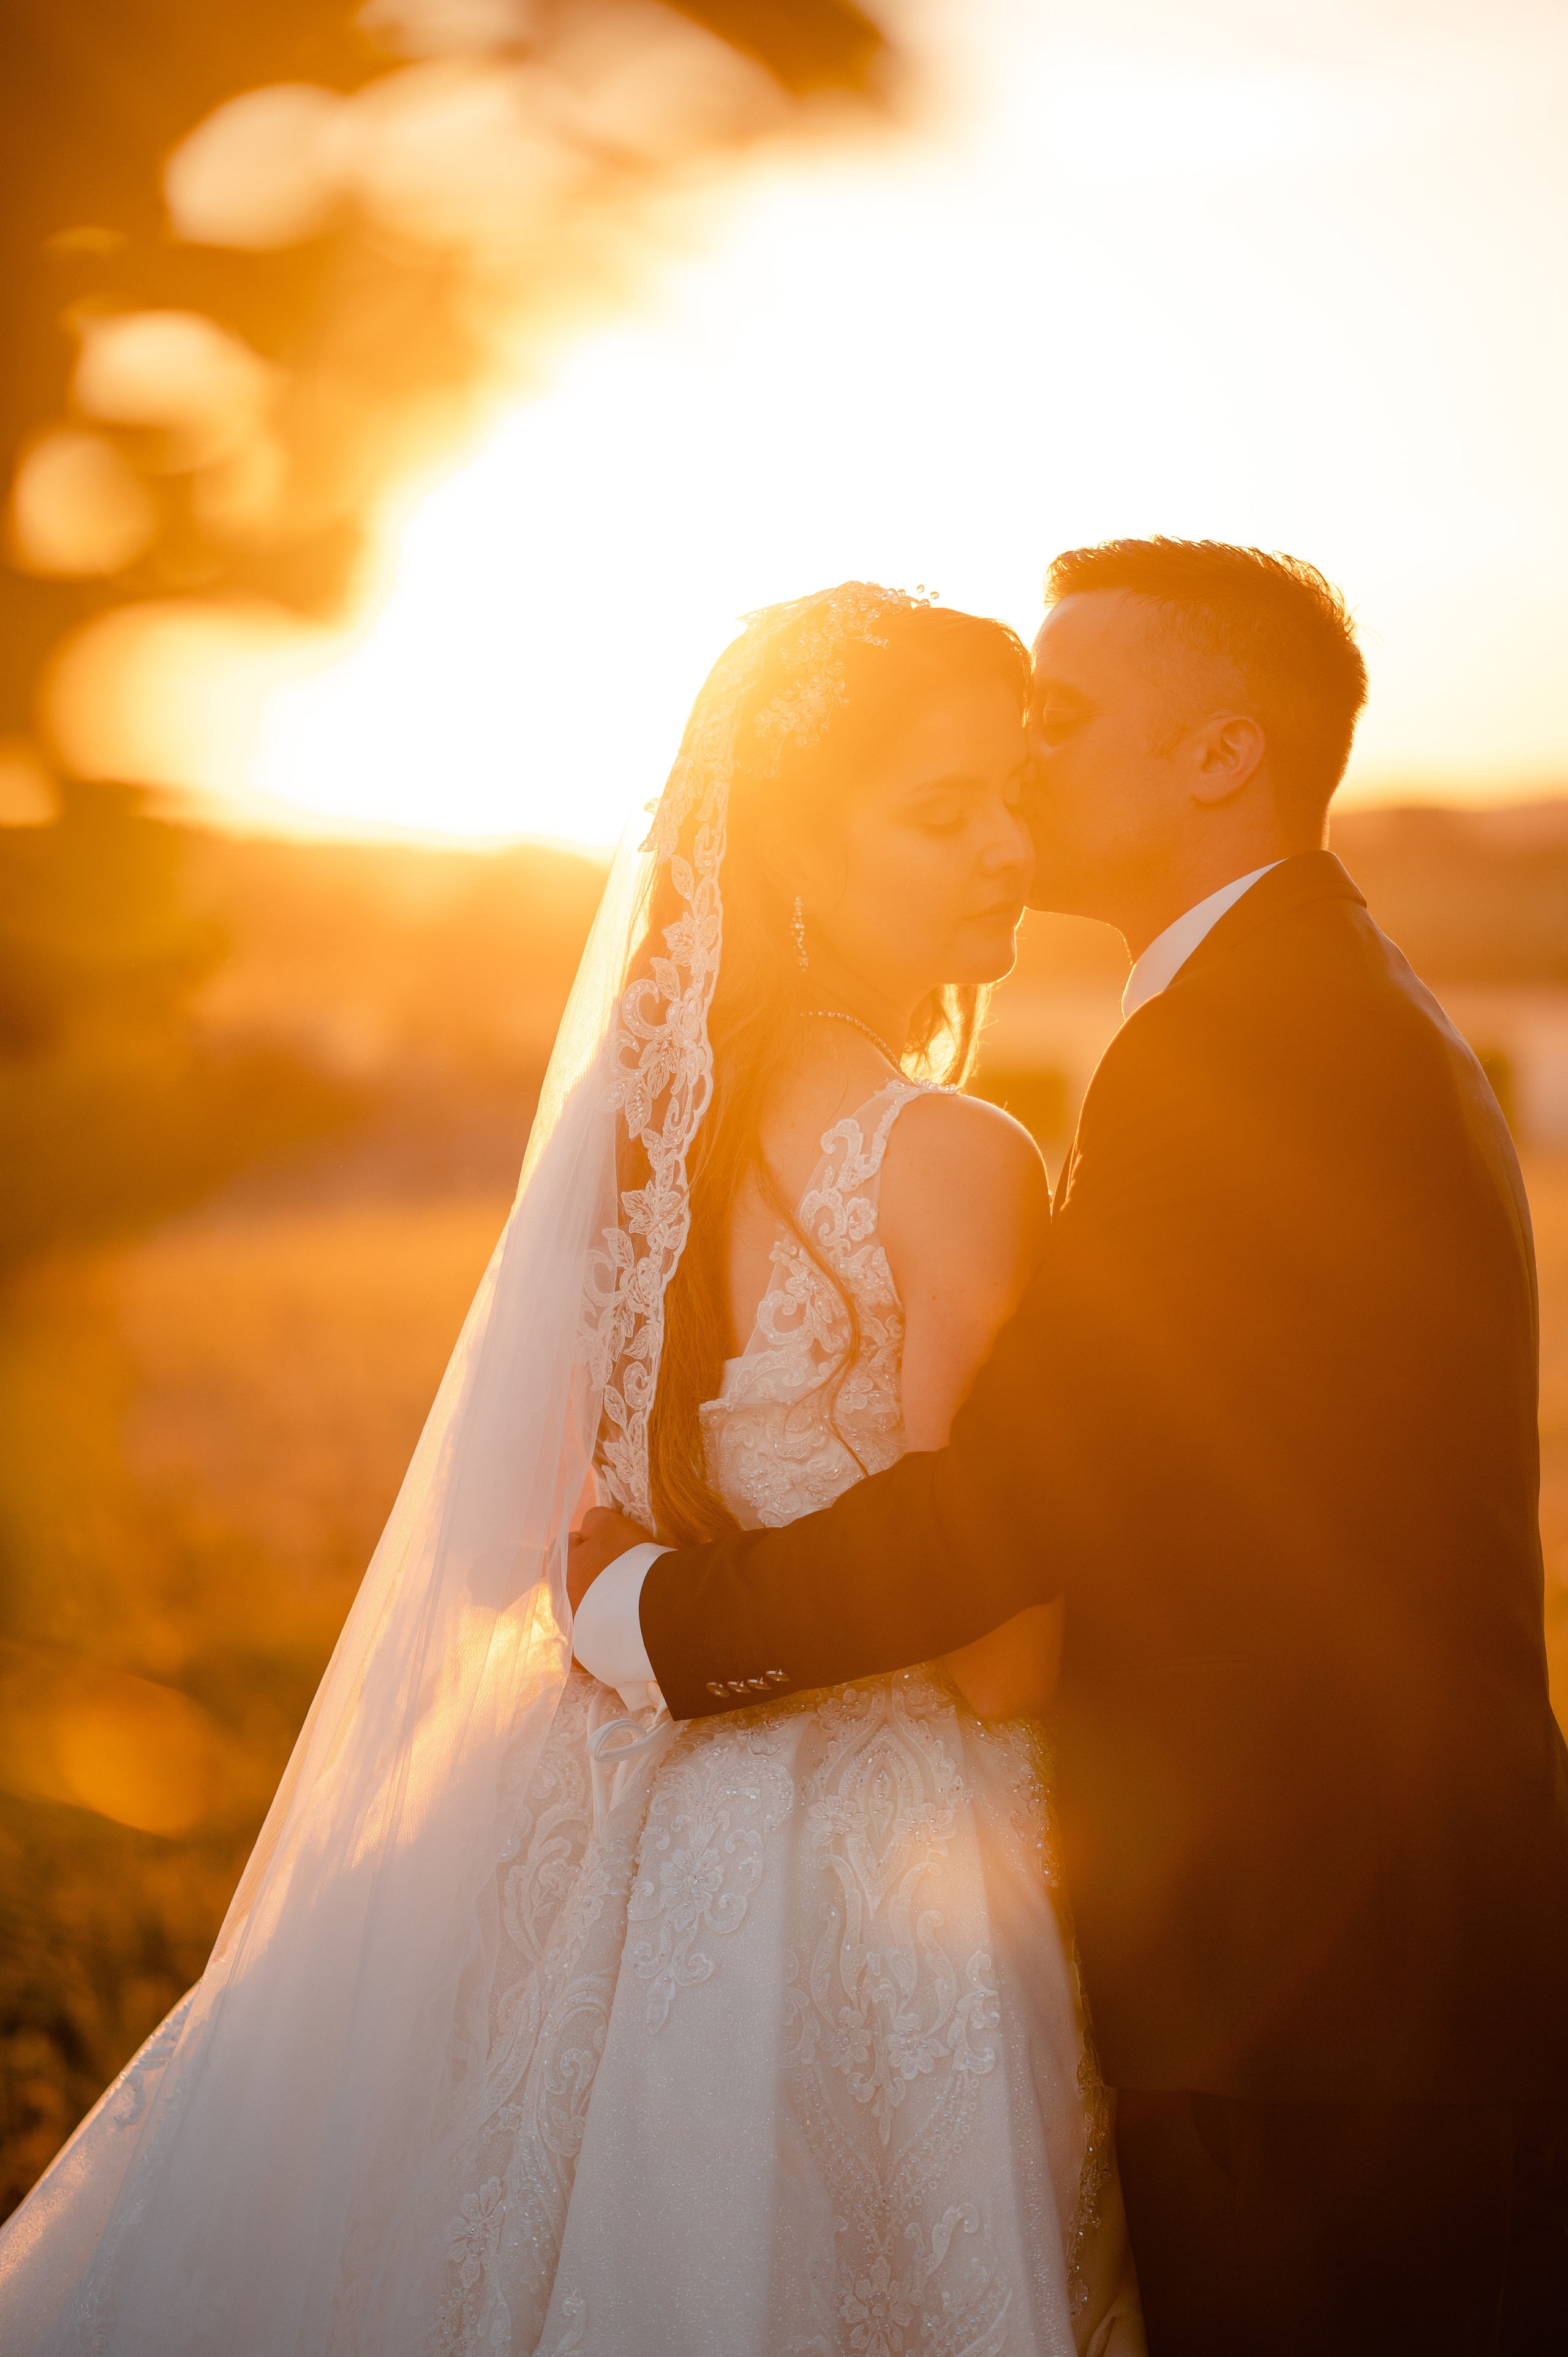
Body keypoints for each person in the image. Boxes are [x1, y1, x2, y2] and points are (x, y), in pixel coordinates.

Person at [0, 585, 1140, 2356]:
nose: (1009, 846)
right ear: (793, 859)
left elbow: (491, 1563)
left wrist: (637, 1600)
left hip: (579, 1779)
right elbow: (1005, 1655)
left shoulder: (628, 1128)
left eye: (1017, 794)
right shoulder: (958, 1155)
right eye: (943, 811)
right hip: (881, 1850)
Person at [570, 539, 1568, 2355]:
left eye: (1065, 718)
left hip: (1325, 1973)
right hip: (1333, 1958)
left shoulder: (1263, 1042)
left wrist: (661, 1623)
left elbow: (1028, 1495)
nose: (1024, 766)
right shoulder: (1275, 1004)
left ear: (1221, 755)